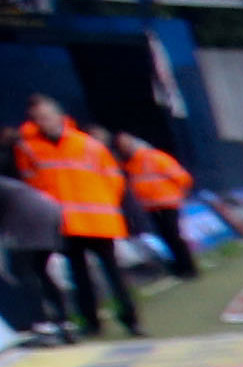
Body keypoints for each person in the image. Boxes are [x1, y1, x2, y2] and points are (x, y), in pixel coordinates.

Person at [10, 97, 129, 341]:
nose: (46, 121)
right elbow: (32, 186)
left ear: (59, 115)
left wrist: (106, 204)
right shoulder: (28, 149)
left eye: (49, 115)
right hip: (66, 223)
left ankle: (130, 318)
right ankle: (92, 322)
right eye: (40, 118)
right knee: (79, 276)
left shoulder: (87, 144)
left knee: (114, 275)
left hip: (98, 221)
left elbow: (113, 177)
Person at [113, 129, 194, 285]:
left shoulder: (154, 158)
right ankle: (181, 266)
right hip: (151, 206)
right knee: (167, 236)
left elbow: (181, 177)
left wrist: (179, 194)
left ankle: (188, 267)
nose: (125, 147)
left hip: (167, 203)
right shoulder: (129, 165)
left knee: (174, 235)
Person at [1, 168, 65, 346]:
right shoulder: (10, 184)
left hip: (26, 221)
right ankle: (63, 321)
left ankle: (41, 325)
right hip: (50, 214)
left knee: (23, 273)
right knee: (40, 272)